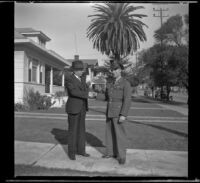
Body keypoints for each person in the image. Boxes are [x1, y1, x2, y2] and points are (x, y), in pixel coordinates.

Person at [96, 61, 132, 165]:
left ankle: (121, 156)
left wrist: (123, 114)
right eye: (112, 70)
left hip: (118, 112)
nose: (114, 71)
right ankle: (110, 152)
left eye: (115, 69)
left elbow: (127, 100)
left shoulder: (125, 83)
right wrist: (96, 94)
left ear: (120, 70)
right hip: (109, 111)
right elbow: (106, 97)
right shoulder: (110, 83)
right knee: (109, 133)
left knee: (120, 135)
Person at [65, 60, 90, 160]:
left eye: (82, 70)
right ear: (74, 70)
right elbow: (73, 92)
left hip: (82, 108)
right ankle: (72, 153)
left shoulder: (82, 79)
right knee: (72, 131)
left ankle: (81, 151)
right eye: (79, 70)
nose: (81, 71)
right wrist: (87, 94)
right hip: (73, 108)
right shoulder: (69, 79)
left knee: (81, 131)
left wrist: (87, 86)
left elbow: (84, 89)